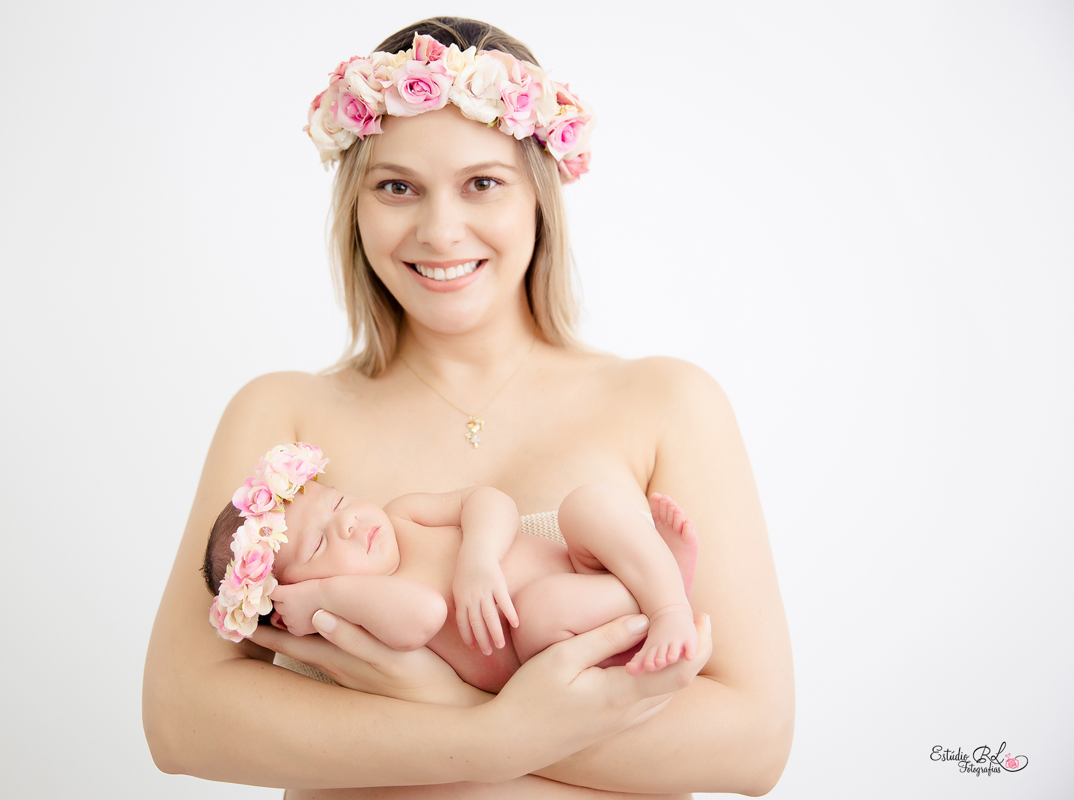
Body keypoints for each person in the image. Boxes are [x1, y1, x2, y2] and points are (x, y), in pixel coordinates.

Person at [143, 16, 793, 798]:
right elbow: (182, 722)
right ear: (355, 205)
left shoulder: (665, 402)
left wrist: (444, 702)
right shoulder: (282, 419)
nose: (440, 231)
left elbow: (750, 745)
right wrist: (495, 734)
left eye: (482, 183)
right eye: (396, 187)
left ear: (538, 198)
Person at [202, 442, 701, 692]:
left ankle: (667, 599)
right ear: (290, 597)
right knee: (542, 607)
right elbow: (423, 614)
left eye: (338, 502)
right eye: (317, 546)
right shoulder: (360, 614)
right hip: (551, 642)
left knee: (585, 504)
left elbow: (488, 500)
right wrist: (324, 600)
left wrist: (478, 556)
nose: (348, 524)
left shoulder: (402, 515)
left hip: (580, 567)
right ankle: (658, 596)